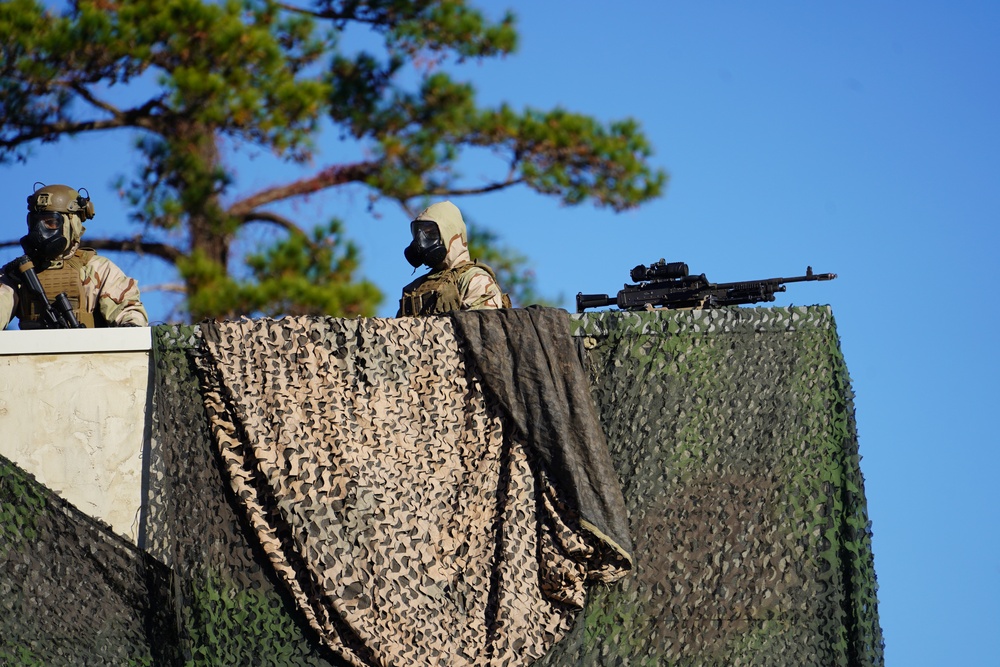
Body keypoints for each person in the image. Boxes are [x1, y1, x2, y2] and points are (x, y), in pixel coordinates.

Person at [0, 183, 148, 329]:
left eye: (50, 222)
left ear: (72, 225)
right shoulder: (15, 275)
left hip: (88, 352)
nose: (39, 232)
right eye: (35, 223)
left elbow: (129, 313)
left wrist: (130, 325)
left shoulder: (97, 269)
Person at [397, 201, 511, 316]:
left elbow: (482, 329)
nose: (421, 242)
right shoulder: (414, 288)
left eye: (430, 234)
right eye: (418, 233)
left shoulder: (475, 280)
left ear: (449, 233)